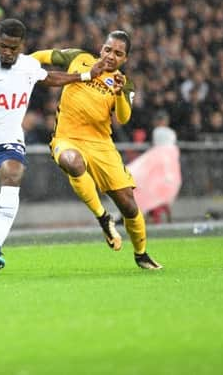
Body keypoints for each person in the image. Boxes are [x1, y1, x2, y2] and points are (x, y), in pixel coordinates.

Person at [0, 18, 105, 270]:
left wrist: (85, 75)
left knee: (13, 172)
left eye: (13, 48)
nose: (7, 52)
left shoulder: (29, 65)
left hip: (8, 142)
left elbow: (49, 78)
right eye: (3, 46)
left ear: (21, 46)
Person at [31, 30, 162, 269]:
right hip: (67, 138)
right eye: (108, 49)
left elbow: (123, 118)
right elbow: (43, 55)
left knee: (129, 205)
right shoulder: (78, 58)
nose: (111, 56)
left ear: (125, 59)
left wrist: (122, 92)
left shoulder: (125, 83)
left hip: (102, 146)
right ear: (101, 48)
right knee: (72, 162)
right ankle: (103, 218)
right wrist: (24, 65)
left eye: (118, 53)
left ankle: (141, 254)